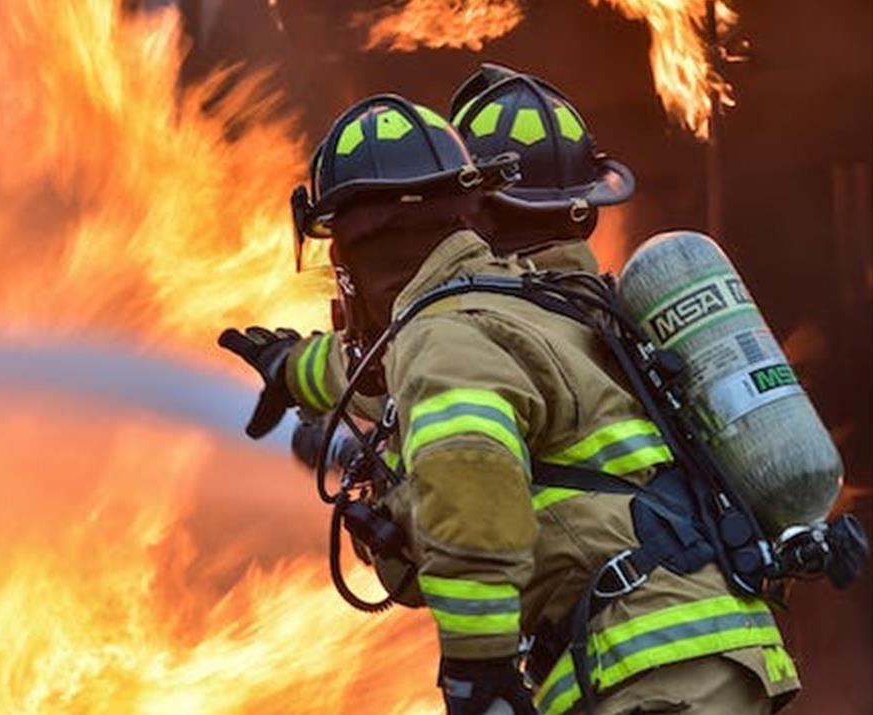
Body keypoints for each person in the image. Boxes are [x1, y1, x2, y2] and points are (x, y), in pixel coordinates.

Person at [220, 68, 797, 715]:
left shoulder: (449, 333)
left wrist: (479, 670)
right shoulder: (543, 308)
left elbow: (470, 490)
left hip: (647, 668)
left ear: (351, 254)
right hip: (707, 656)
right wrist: (291, 365)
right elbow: (378, 362)